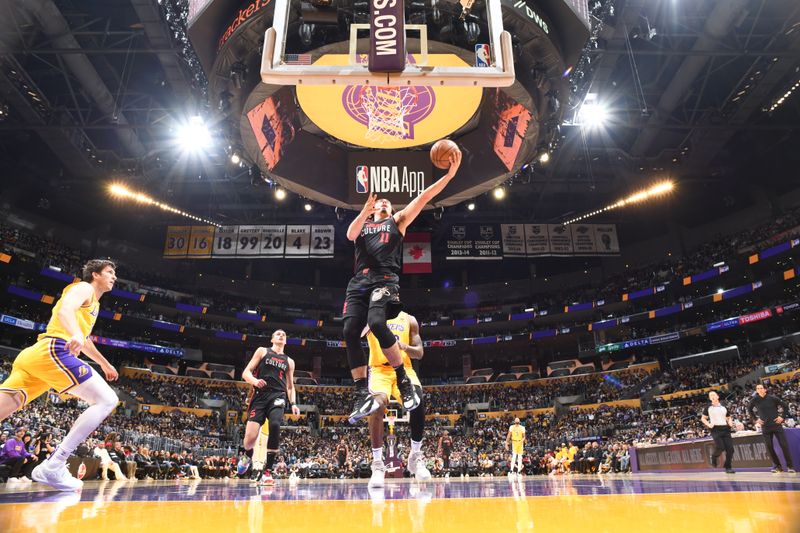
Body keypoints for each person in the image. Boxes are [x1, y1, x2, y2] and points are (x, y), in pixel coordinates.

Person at [342, 150, 462, 423]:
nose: (383, 203)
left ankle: (403, 380)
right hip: (359, 280)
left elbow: (424, 197)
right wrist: (364, 209)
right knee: (349, 331)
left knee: (376, 322)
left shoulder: (397, 222)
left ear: (392, 210)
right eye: (379, 202)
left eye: (387, 202)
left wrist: (449, 176)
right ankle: (362, 393)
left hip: (385, 279)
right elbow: (350, 234)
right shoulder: (362, 225)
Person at [0, 259, 120, 491]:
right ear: (95, 274)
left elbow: (84, 340)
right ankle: (55, 464)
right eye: (109, 272)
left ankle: (54, 465)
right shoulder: (83, 288)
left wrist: (104, 363)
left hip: (35, 360)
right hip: (52, 350)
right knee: (107, 400)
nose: (114, 277)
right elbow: (65, 310)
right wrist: (75, 333)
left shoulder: (94, 304)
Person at [365, 311, 430, 487]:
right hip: (380, 370)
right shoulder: (370, 315)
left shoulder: (410, 319)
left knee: (418, 401)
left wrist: (405, 347)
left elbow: (419, 353)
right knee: (376, 406)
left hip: (404, 368)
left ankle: (415, 455)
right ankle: (378, 465)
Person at [241, 329, 300, 485]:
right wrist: (254, 381)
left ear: (285, 341)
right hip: (260, 396)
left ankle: (267, 471)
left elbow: (290, 386)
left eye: (284, 335)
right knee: (249, 440)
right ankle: (247, 455)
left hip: (278, 396)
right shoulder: (262, 351)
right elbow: (246, 372)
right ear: (272, 339)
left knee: (275, 424)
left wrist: (293, 403)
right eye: (278, 334)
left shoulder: (290, 361)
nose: (281, 335)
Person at [748, 383, 796, 473]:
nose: (760, 390)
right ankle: (778, 467)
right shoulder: (754, 399)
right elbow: (749, 409)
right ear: (756, 390)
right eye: (758, 388)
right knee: (769, 447)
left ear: (765, 389)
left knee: (784, 445)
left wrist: (782, 417)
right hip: (765, 427)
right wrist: (756, 419)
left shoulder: (772, 398)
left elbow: (785, 406)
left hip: (776, 425)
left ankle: (790, 466)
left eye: (761, 388)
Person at [701, 390, 735, 474]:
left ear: (717, 397)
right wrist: (709, 425)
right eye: (710, 395)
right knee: (720, 447)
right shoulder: (708, 407)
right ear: (710, 398)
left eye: (713, 395)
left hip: (725, 429)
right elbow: (703, 418)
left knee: (730, 449)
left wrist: (730, 422)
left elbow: (729, 417)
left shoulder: (723, 406)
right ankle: (714, 456)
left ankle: (728, 466)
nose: (712, 396)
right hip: (715, 429)